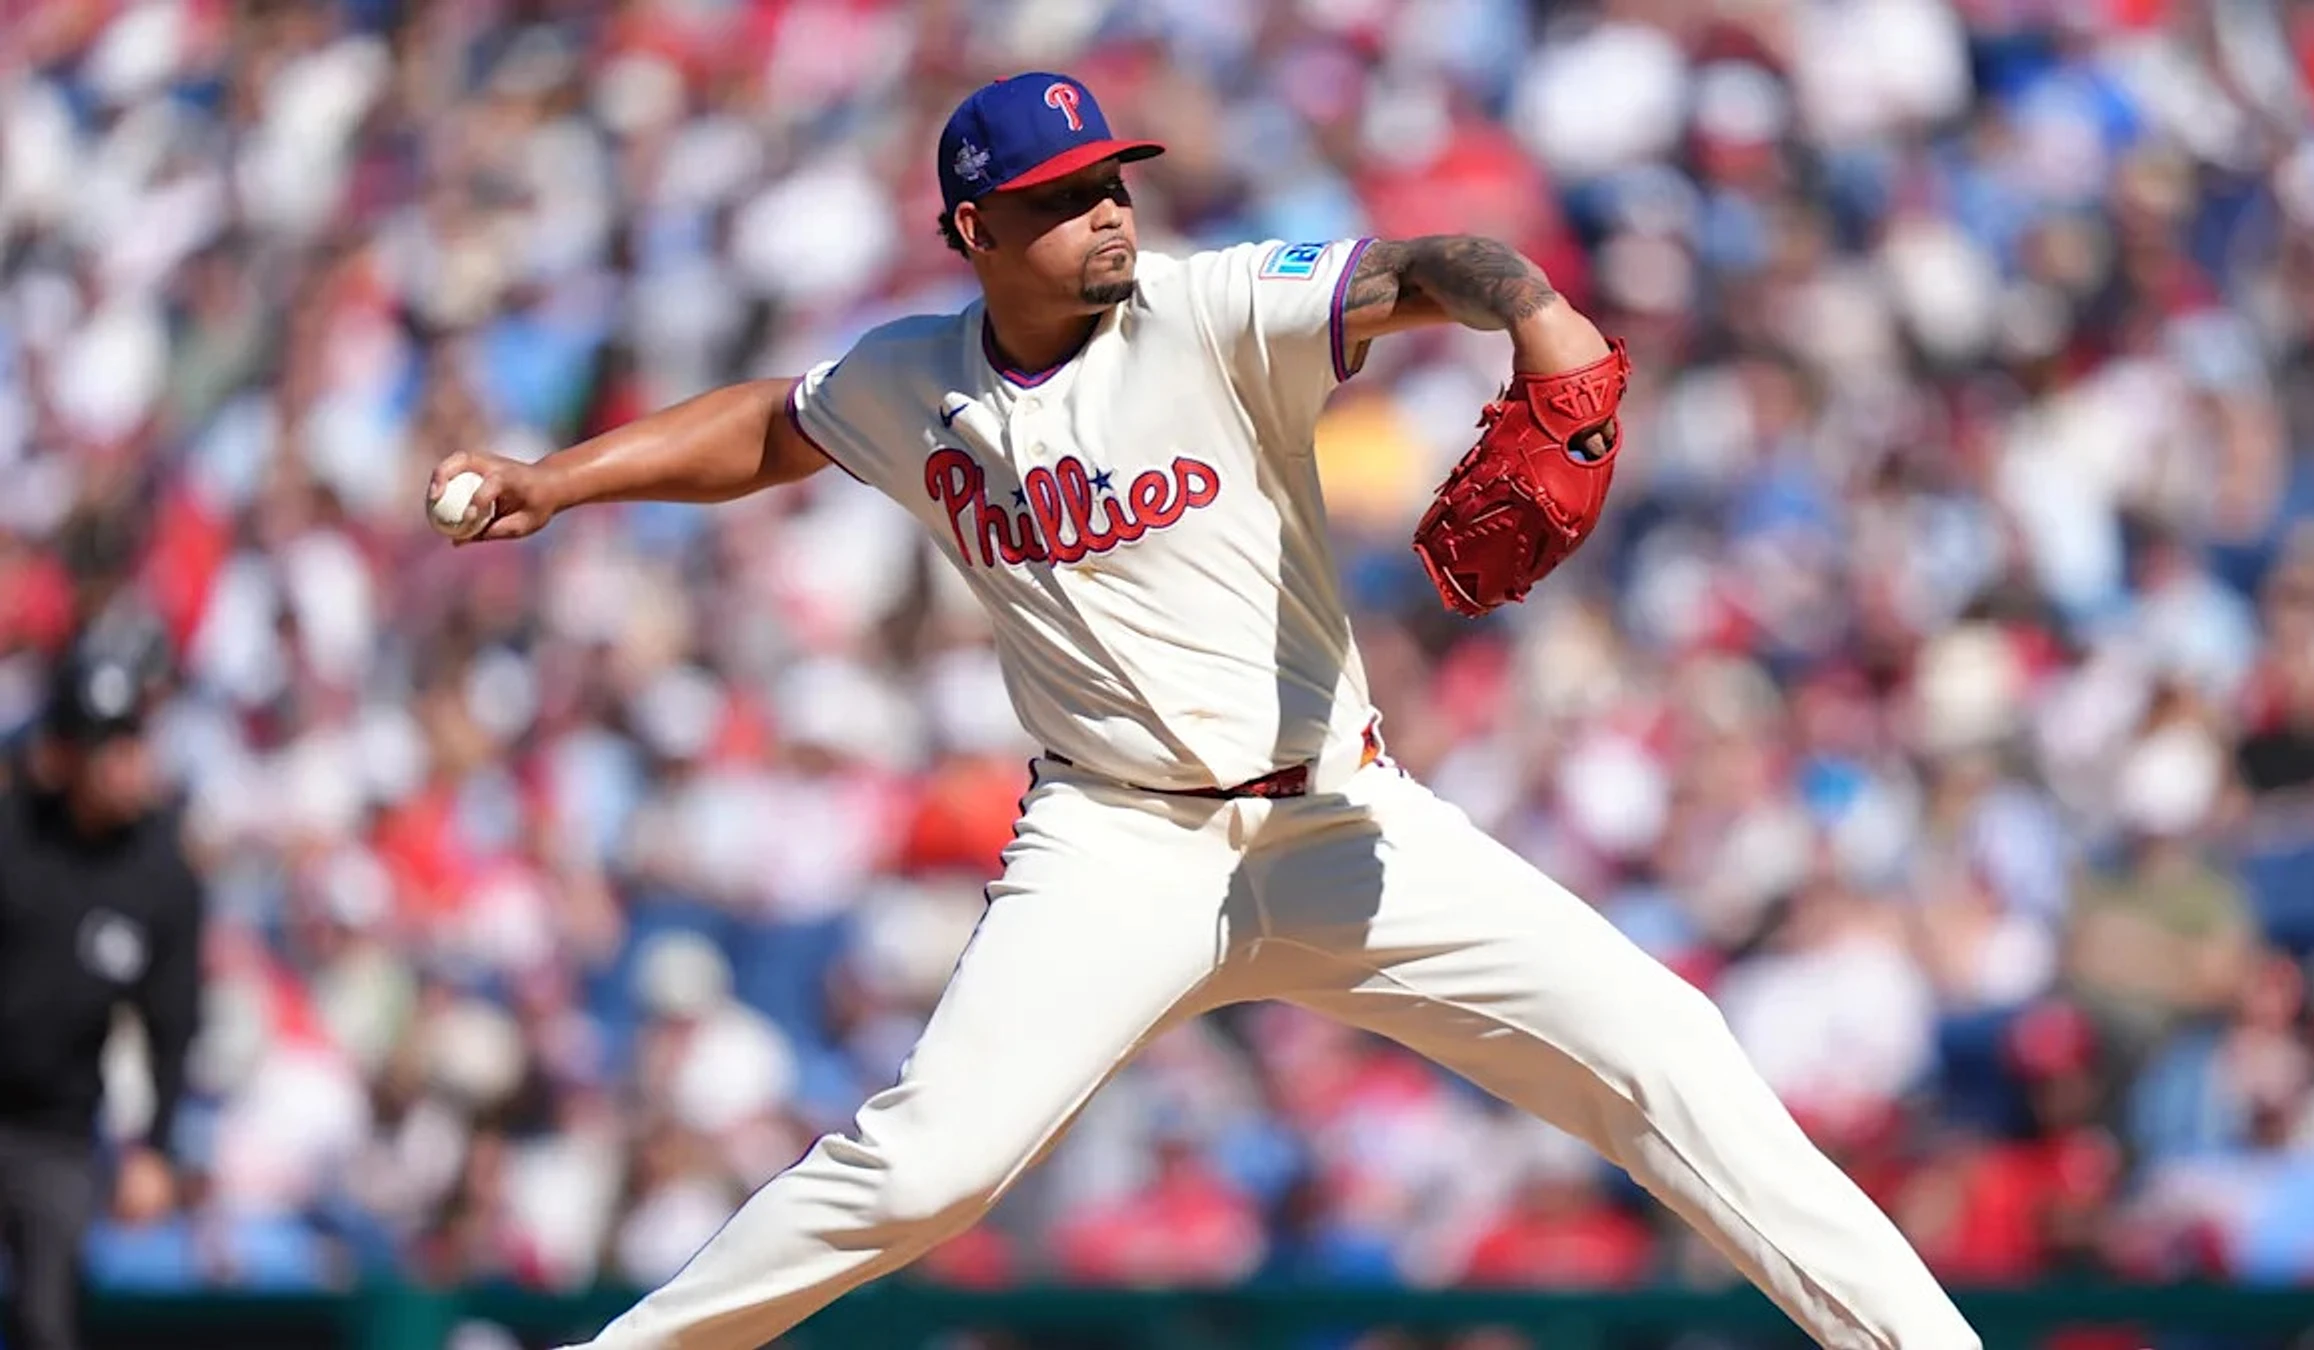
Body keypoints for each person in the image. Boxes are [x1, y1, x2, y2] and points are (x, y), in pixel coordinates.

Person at [429, 72, 1979, 1350]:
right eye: (1063, 196)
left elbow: (1427, 264)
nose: (1109, 210)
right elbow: (774, 424)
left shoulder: (1215, 308)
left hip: (1343, 821)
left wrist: (1539, 314)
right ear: (974, 229)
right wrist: (556, 479)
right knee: (922, 1173)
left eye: (1114, 181)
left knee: (1665, 1044)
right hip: (1117, 847)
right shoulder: (918, 382)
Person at [0, 641, 201, 1350]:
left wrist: (154, 1149)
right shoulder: (13, 838)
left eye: (132, 742)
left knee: (46, 1322)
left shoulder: (161, 879)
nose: (127, 763)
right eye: (107, 746)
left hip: (56, 1131)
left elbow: (174, 1026)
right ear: (65, 757)